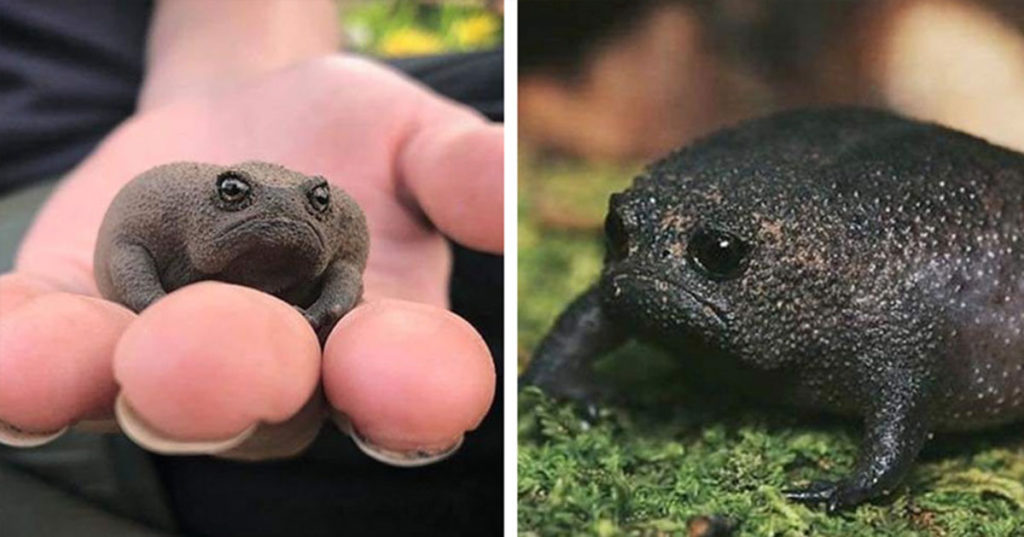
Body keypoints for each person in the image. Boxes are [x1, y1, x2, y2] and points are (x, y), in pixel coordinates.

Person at [0, 1, 503, 535]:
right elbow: (126, 249)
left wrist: (248, 73)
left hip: (178, 98)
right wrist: (148, 304)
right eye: (236, 197)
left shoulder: (340, 221)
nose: (288, 215)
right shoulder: (161, 204)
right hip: (40, 211)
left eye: (317, 201)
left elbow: (346, 268)